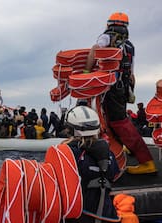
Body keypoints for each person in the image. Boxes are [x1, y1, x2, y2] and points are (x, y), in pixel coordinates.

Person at [84, 12, 156, 174]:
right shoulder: (129, 45)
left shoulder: (107, 37)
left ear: (109, 24)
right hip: (122, 88)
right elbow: (131, 74)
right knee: (114, 121)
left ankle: (146, 162)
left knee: (119, 123)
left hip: (112, 89)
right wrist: (130, 92)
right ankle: (125, 149)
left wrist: (86, 71)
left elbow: (95, 50)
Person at [64, 106, 120, 223]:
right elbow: (114, 175)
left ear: (69, 129)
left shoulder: (67, 152)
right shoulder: (108, 153)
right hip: (107, 215)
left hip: (78, 215)